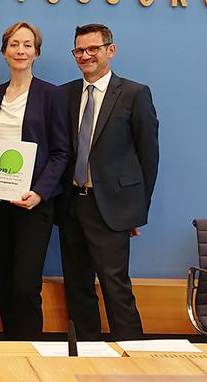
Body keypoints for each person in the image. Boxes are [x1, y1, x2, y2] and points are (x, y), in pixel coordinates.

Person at [59, 23, 159, 341]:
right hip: (72, 203)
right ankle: (86, 354)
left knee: (116, 288)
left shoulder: (134, 93)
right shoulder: (65, 94)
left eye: (93, 49)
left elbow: (149, 158)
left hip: (112, 209)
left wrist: (136, 211)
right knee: (77, 286)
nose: (85, 55)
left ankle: (134, 358)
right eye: (79, 50)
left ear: (109, 50)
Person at [0, 21, 70, 340]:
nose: (21, 50)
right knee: (4, 279)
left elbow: (61, 152)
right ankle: (10, 354)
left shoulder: (52, 95)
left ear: (36, 52)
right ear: (4, 51)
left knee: (25, 283)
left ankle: (31, 351)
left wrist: (40, 193)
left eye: (27, 44)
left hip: (33, 205)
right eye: (14, 44)